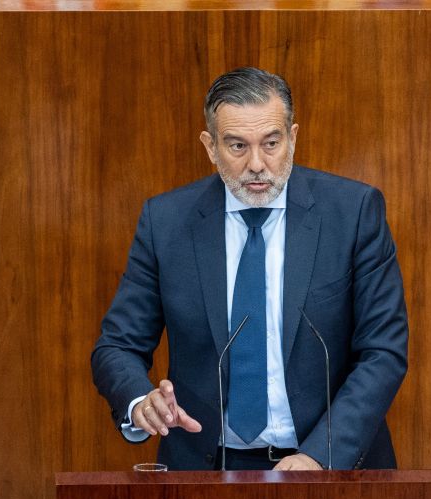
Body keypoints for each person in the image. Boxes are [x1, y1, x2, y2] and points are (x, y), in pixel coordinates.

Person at [91, 67, 408, 471]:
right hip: (208, 470)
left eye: (271, 143)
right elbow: (117, 345)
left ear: (293, 137)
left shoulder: (353, 213)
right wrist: (140, 401)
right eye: (237, 146)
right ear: (210, 147)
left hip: (330, 469)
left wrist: (320, 456)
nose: (257, 164)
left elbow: (383, 350)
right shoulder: (167, 222)